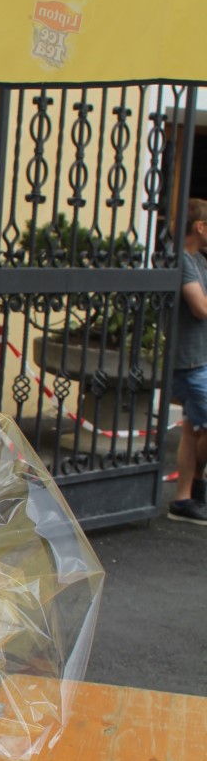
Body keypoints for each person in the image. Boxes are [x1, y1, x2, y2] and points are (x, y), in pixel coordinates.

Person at [168, 196, 207, 524]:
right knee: (196, 428)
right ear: (200, 226)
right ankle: (193, 485)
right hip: (190, 362)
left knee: (193, 430)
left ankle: (184, 497)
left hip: (201, 358)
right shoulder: (182, 260)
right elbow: (201, 307)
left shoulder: (200, 260)